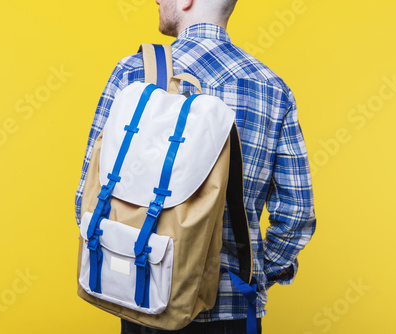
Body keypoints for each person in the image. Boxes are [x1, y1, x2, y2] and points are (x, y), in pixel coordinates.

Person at [75, 0, 316, 333]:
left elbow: (87, 196)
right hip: (231, 307)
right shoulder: (272, 89)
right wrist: (252, 272)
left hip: (144, 294)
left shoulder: (133, 73)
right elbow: (296, 215)